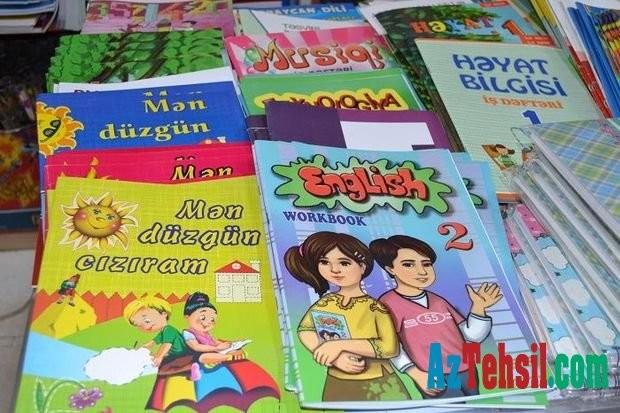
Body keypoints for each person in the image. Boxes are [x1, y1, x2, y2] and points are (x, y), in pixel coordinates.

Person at [370, 235, 502, 399]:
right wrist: (415, 373)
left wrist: (479, 308)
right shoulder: (387, 304)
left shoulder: (438, 301)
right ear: (390, 269)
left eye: (426, 264)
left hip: (466, 369)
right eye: (408, 264)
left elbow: (471, 336)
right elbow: (390, 346)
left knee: (477, 407)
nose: (422, 271)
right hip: (432, 375)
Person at [284, 231, 409, 402]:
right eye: (324, 262)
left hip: (379, 384)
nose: (334, 270)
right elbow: (305, 330)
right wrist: (335, 357)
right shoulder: (326, 303)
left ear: (362, 267)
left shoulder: (374, 308)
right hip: (336, 382)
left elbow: (389, 348)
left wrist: (338, 346)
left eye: (344, 263)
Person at [182, 292, 244, 380]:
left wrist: (230, 345)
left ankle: (223, 357)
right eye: (203, 318)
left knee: (235, 350)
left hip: (214, 352)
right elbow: (196, 347)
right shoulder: (188, 333)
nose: (208, 322)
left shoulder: (207, 333)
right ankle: (227, 357)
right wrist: (217, 348)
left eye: (212, 319)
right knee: (204, 357)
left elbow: (214, 341)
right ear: (187, 317)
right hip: (197, 356)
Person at [123, 296, 188, 368]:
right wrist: (141, 349)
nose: (146, 327)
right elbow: (153, 342)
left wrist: (159, 357)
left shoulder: (169, 330)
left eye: (147, 321)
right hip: (174, 355)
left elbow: (166, 345)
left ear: (164, 314)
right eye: (139, 325)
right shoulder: (163, 331)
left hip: (182, 356)